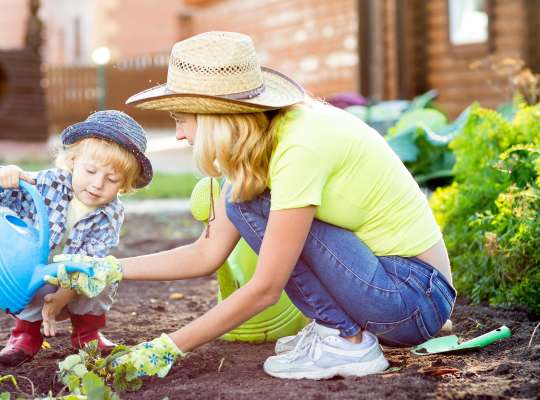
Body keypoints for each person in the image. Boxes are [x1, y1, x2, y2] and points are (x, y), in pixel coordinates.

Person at [49, 31, 457, 380]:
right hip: (388, 288)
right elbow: (206, 254)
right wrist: (109, 269)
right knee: (242, 197)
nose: (178, 134)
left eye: (182, 118)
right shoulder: (269, 142)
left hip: (412, 299)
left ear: (217, 118)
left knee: (244, 200)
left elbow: (266, 288)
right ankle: (341, 330)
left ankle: (347, 341)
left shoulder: (299, 146)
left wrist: (163, 350)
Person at [0, 110, 153, 366]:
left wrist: (64, 294)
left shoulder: (111, 212)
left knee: (102, 275)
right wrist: (2, 174)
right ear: (73, 161)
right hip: (33, 271)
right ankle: (25, 334)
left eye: (112, 179)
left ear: (124, 185)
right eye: (91, 171)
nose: (97, 184)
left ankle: (88, 334)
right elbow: (4, 195)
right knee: (29, 280)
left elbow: (90, 259)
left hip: (75, 274)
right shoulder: (48, 183)